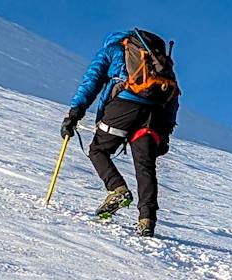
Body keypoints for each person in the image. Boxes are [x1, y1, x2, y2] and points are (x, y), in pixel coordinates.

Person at [61, 29, 180, 237]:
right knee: (145, 165)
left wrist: (74, 114)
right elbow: (173, 96)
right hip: (155, 113)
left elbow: (92, 82)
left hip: (125, 105)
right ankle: (147, 220)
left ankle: (117, 189)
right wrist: (165, 132)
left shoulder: (112, 50)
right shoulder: (160, 63)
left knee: (98, 150)